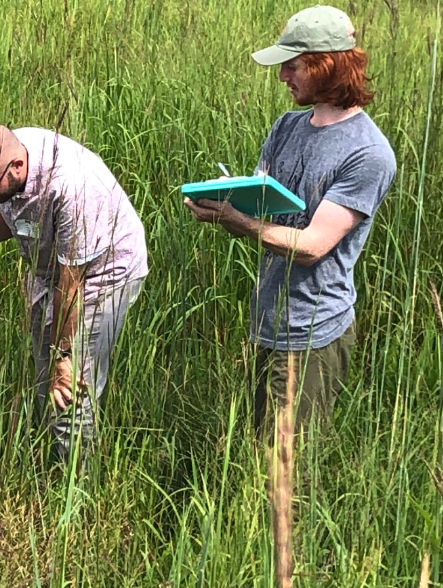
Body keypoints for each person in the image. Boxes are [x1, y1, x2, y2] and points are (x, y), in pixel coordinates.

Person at [184, 5, 396, 439]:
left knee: (287, 465)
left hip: (312, 332)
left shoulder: (369, 153)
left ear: (326, 66)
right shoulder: (287, 126)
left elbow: (315, 246)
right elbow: (263, 198)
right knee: (260, 447)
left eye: (292, 66)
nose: (282, 76)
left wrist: (239, 222)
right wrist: (224, 198)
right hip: (267, 320)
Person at [0, 123, 149, 467]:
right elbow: (13, 215)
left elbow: (72, 283)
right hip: (53, 269)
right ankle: (52, 459)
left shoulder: (72, 186)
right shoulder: (8, 162)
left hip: (101, 274)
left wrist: (63, 355)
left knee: (69, 388)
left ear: (16, 167)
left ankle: (75, 492)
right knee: (44, 375)